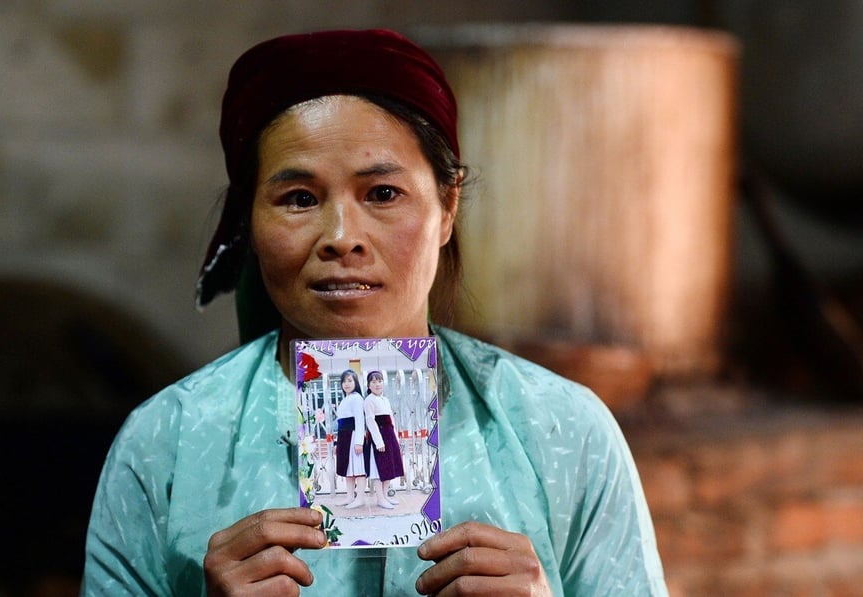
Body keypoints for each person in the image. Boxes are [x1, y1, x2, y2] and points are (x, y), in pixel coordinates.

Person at [83, 28, 667, 596]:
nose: (342, 237)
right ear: (249, 223)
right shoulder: (165, 444)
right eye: (299, 199)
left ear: (447, 206)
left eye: (383, 194)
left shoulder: (564, 432)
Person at [362, 371, 405, 510]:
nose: (377, 384)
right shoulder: (369, 400)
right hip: (379, 436)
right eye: (373, 382)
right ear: (368, 385)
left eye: (379, 381)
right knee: (379, 469)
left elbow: (391, 419)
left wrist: (395, 437)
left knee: (389, 467)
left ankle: (385, 496)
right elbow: (370, 421)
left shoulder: (385, 400)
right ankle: (380, 498)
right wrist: (378, 442)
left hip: (389, 434)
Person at [333, 370, 367, 508]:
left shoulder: (357, 398)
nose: (346, 384)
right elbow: (339, 423)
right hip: (343, 437)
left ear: (355, 382)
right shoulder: (345, 399)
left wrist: (359, 442)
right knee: (348, 469)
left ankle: (360, 498)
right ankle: (349, 496)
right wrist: (336, 443)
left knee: (358, 468)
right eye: (344, 381)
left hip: (353, 436)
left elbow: (360, 421)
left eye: (350, 381)